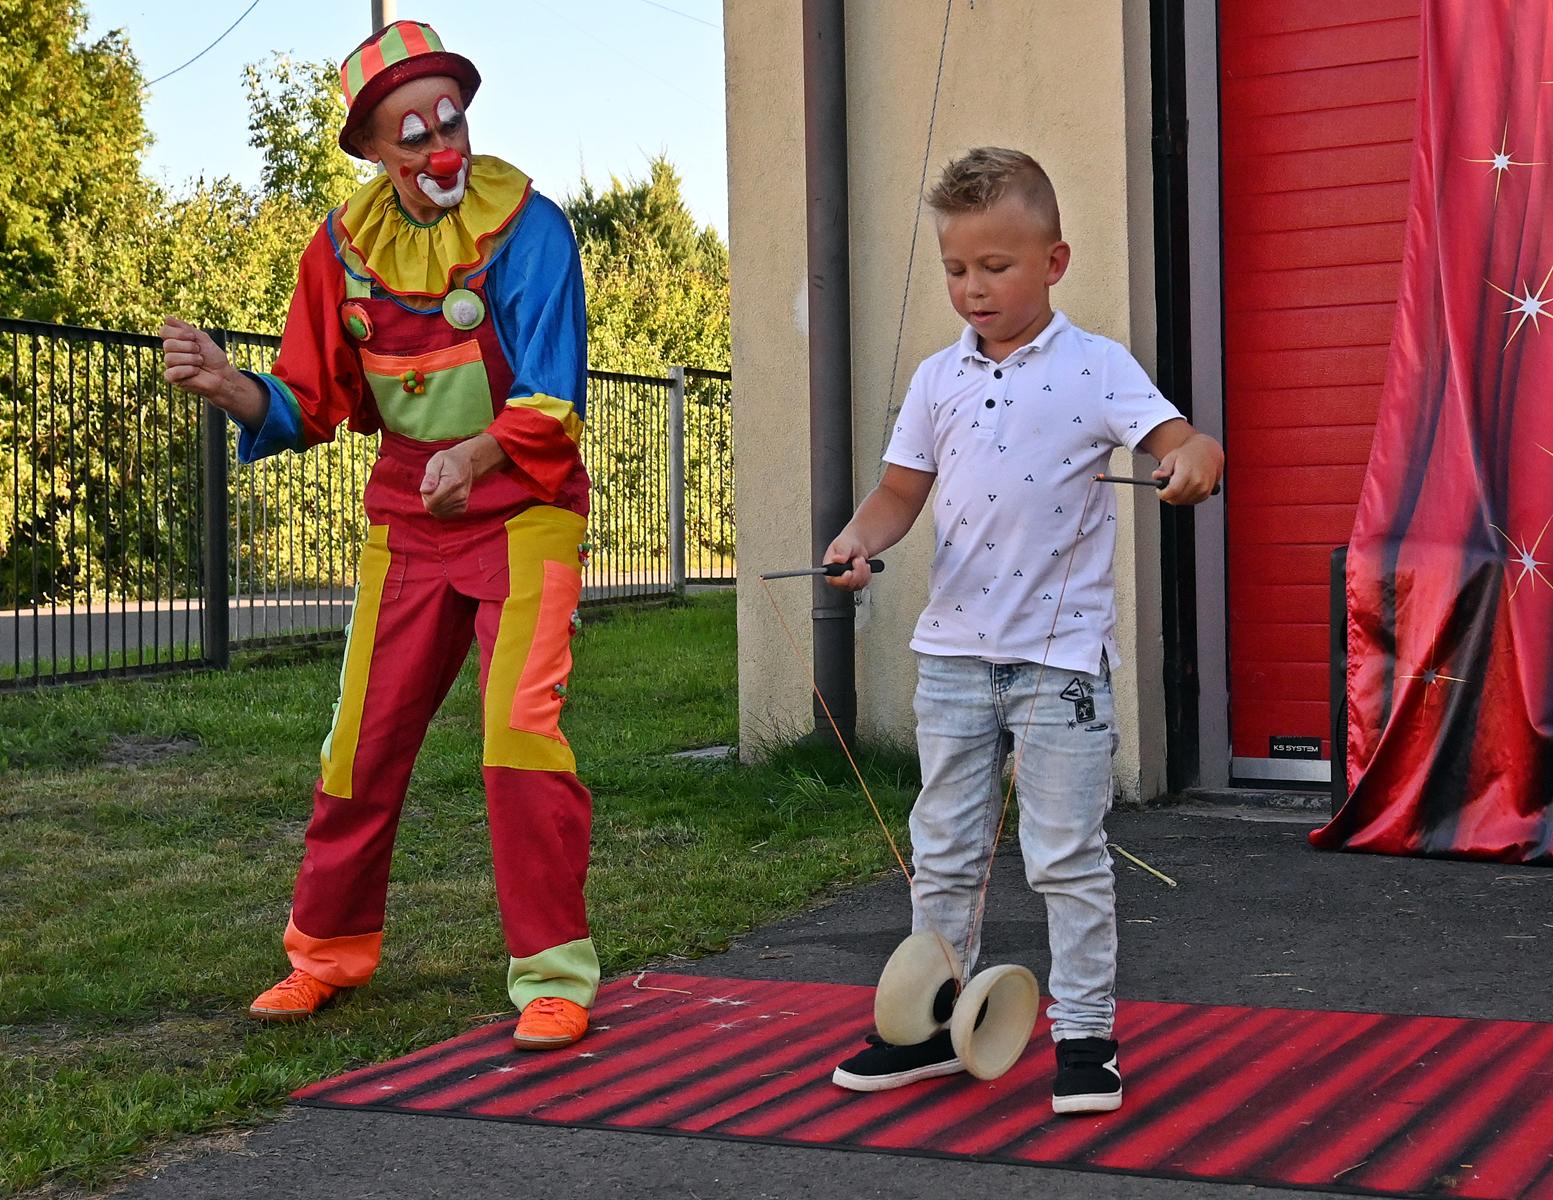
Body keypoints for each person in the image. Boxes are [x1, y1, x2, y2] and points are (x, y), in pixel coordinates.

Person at [159, 20, 599, 1050]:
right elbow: (308, 398)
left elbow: (552, 390)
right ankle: (325, 952)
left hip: (524, 509)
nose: (442, 150)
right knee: (360, 740)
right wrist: (231, 386)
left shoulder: (528, 228)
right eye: (414, 136)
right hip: (407, 517)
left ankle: (553, 975)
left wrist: (477, 456)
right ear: (370, 149)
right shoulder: (339, 250)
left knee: (518, 734)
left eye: (451, 124)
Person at [823, 147, 1223, 1112]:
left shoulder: (1097, 366)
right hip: (953, 658)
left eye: (995, 266)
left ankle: (1084, 1037)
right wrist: (856, 538)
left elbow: (1177, 442)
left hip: (1060, 664)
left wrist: (1195, 457)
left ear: (1054, 261)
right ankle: (929, 1025)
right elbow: (897, 494)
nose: (973, 288)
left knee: (1065, 857)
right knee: (943, 852)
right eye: (956, 268)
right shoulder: (936, 379)